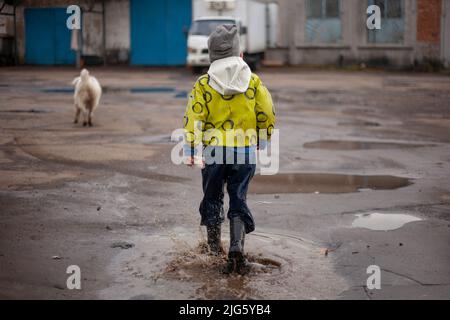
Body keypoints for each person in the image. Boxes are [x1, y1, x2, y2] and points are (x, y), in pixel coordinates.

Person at [183, 24, 276, 274]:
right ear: (241, 55)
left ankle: (214, 250)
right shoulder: (253, 82)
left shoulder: (203, 83)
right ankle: (236, 247)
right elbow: (266, 111)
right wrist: (264, 137)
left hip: (214, 153)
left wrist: (191, 147)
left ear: (212, 57)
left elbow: (194, 117)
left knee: (213, 197)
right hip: (244, 152)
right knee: (238, 197)